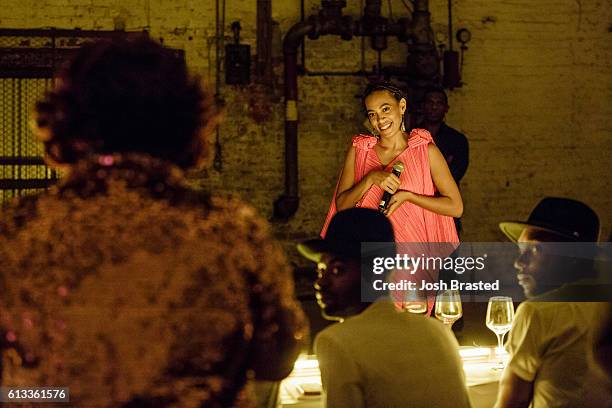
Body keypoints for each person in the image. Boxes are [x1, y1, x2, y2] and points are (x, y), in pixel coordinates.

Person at [0, 36, 307, 407]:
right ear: (188, 123)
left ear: (65, 121)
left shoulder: (15, 230)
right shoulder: (230, 231)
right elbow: (277, 356)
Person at [298, 208, 472, 408]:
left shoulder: (336, 342)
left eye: (337, 269)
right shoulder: (437, 330)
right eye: (321, 270)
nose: (320, 283)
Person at [321, 81, 462, 313]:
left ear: (402, 106)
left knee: (411, 332)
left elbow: (456, 207)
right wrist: (370, 179)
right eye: (372, 114)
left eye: (386, 109)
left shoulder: (425, 151)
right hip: (370, 256)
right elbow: (342, 205)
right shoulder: (360, 150)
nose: (380, 119)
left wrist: (408, 196)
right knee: (373, 328)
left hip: (414, 256)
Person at [496, 197, 612, 407]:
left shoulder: (536, 313)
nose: (519, 262)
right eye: (521, 250)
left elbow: (513, 403)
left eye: (535, 250)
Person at [419, 86, 469, 234]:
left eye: (439, 103)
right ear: (423, 106)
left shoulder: (457, 140)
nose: (434, 107)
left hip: (446, 208)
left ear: (446, 108)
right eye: (430, 102)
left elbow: (456, 173)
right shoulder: (408, 136)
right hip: (416, 209)